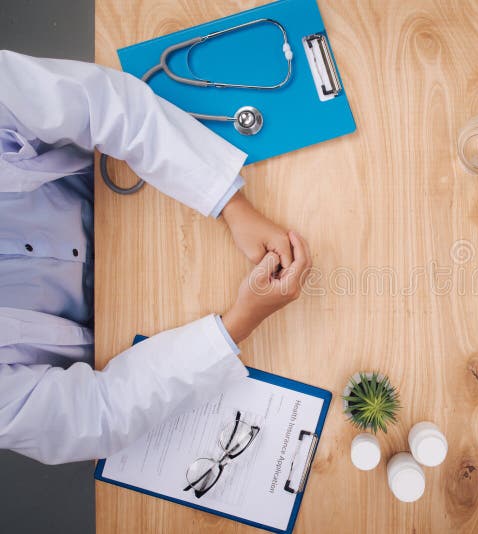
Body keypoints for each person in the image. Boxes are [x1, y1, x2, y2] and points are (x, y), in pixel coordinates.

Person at [0, 50, 311, 465]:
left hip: (138, 189)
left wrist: (231, 204)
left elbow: (104, 104)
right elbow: (99, 417)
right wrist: (238, 324)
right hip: (141, 326)